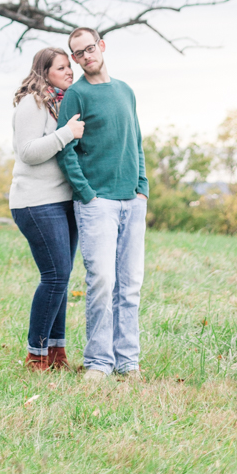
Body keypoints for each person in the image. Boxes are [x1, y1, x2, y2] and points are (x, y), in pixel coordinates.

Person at [56, 28, 148, 381]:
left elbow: (136, 140)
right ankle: (98, 363)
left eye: (90, 48)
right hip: (98, 204)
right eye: (78, 53)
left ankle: (128, 362)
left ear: (102, 47)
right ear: (76, 59)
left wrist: (142, 188)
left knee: (130, 286)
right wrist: (87, 194)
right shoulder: (76, 96)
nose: (86, 56)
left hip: (132, 201)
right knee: (102, 282)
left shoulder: (125, 91)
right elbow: (68, 151)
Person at [9, 48, 86, 371]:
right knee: (54, 277)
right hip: (35, 202)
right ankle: (35, 355)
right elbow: (27, 152)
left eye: (70, 67)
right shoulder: (32, 104)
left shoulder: (58, 104)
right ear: (44, 71)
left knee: (62, 278)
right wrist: (67, 133)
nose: (70, 71)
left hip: (62, 201)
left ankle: (56, 354)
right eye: (62, 67)